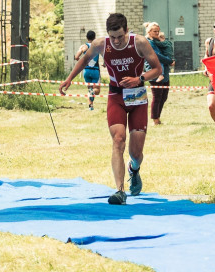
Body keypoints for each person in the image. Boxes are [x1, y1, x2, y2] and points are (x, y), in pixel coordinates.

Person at [59, 13, 162, 205]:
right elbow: (83, 60)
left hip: (137, 96)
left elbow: (158, 69)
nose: (116, 41)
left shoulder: (139, 42)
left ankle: (135, 168)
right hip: (116, 96)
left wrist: (139, 79)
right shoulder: (101, 44)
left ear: (127, 31)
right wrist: (69, 78)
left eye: (120, 37)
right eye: (112, 37)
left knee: (136, 152)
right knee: (118, 140)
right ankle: (119, 190)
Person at [143, 22, 174, 125]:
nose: (157, 33)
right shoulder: (148, 42)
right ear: (149, 31)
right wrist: (170, 61)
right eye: (154, 31)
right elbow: (156, 55)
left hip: (164, 71)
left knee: (164, 96)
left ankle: (158, 117)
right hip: (154, 71)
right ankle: (155, 119)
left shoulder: (157, 41)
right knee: (157, 97)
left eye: (158, 31)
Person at [74, 30, 101, 111]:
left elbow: (76, 56)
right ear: (95, 37)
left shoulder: (84, 46)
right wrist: (105, 64)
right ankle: (93, 94)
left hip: (86, 71)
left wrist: (81, 61)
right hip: (95, 71)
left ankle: (91, 106)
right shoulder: (97, 46)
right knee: (97, 90)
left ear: (87, 37)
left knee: (89, 89)